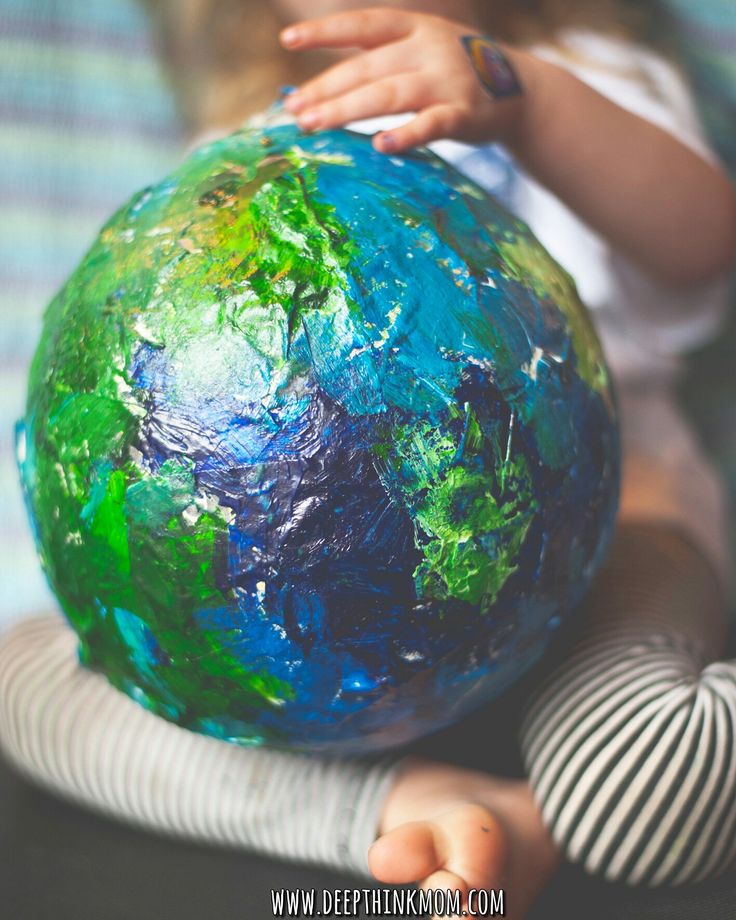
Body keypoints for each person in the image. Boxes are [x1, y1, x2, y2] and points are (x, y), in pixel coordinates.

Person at [2, 2, 736, 917]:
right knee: (23, 681)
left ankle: (570, 799)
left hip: (615, 550)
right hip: (320, 684)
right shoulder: (257, 140)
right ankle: (406, 807)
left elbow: (704, 252)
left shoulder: (583, 70)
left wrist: (521, 95)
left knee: (657, 781)